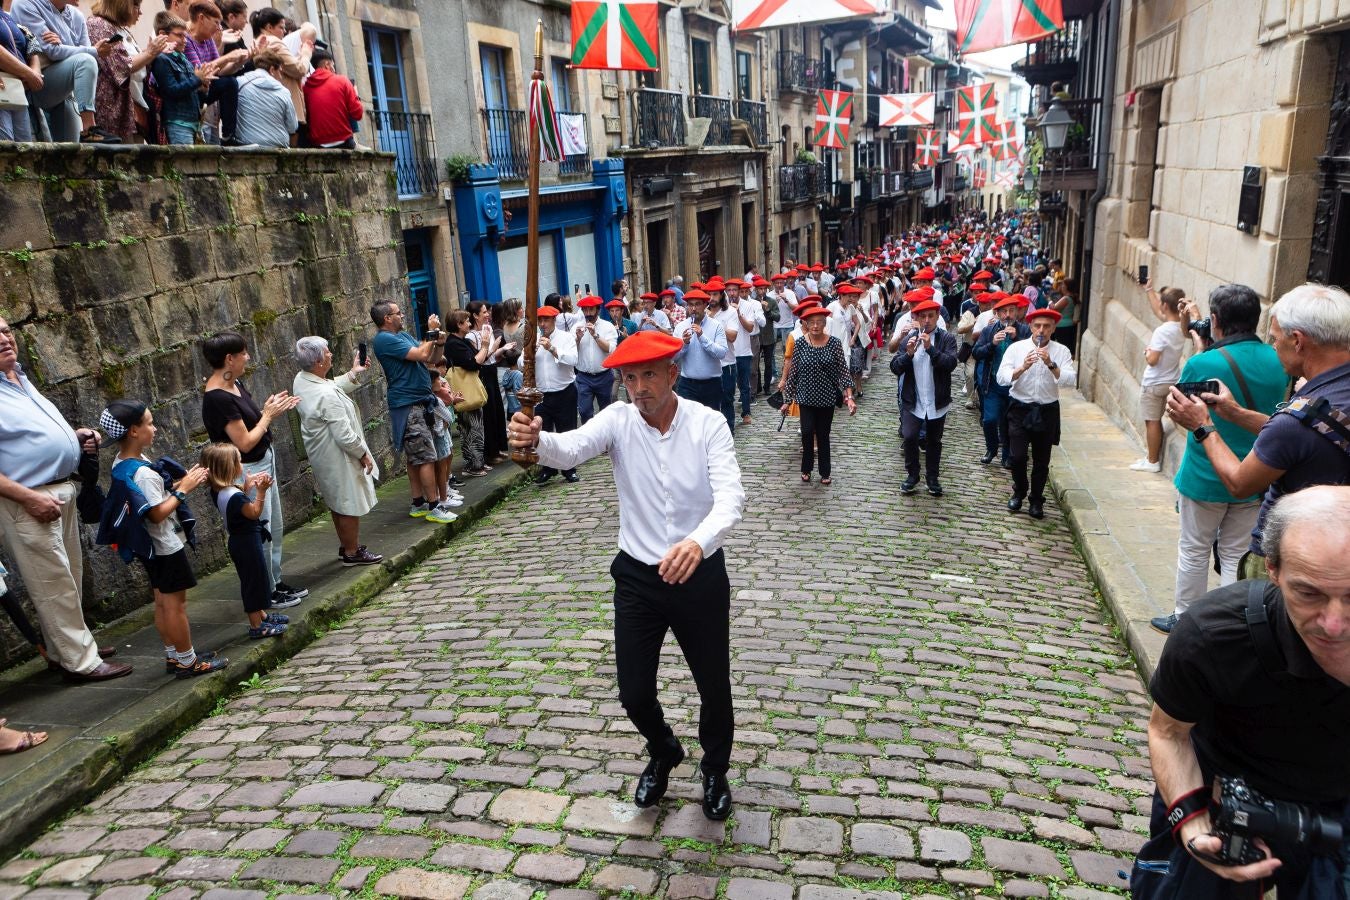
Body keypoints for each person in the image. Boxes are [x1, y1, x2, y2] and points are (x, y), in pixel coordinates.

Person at [506, 331, 745, 822]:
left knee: (713, 685)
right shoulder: (617, 420)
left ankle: (715, 768)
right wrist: (535, 441)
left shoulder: (709, 424)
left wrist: (698, 542)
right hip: (637, 576)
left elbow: (730, 498)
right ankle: (664, 749)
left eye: (649, 374)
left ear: (673, 374)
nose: (639, 387)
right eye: (630, 377)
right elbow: (569, 448)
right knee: (633, 691)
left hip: (699, 573)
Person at [1130, 485, 1349, 899]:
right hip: (1223, 796)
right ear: (1273, 569)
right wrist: (1192, 825)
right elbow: (1168, 733)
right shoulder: (1214, 634)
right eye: (1308, 593)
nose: (1333, 624)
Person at [1167, 283, 1350, 578]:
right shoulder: (1319, 406)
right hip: (1335, 544)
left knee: (1196, 552)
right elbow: (1308, 434)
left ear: (1298, 341)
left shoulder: (1295, 421)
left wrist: (1202, 426)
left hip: (1296, 558)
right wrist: (1237, 413)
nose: (1273, 346)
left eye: (1276, 339)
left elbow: (1240, 483)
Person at [1148, 285, 1288, 635]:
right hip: (1256, 472)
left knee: (1194, 548)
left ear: (1214, 320)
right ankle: (1230, 625)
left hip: (1205, 472)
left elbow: (1179, 408)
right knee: (1236, 553)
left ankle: (1186, 617)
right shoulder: (1278, 360)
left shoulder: (1202, 362)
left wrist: (1200, 352)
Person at [0, 317, 131, 682]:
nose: (3, 338)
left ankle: (65, 648)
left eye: (6, 330)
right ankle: (81, 662)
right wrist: (27, 498)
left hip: (59, 490)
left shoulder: (19, 379)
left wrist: (74, 437)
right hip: (28, 499)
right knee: (52, 582)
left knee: (68, 574)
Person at [99, 400, 227, 678]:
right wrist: (185, 490)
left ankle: (175, 654)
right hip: (164, 545)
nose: (154, 428)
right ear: (133, 430)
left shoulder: (123, 463)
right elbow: (156, 513)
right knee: (175, 605)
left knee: (162, 600)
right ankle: (187, 661)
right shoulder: (143, 473)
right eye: (149, 423)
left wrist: (183, 482)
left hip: (150, 548)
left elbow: (153, 499)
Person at [201, 331, 308, 607]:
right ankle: (267, 592)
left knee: (275, 525)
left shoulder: (234, 385)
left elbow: (253, 422)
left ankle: (274, 581)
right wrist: (268, 416)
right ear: (229, 358)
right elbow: (245, 442)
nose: (247, 358)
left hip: (263, 460)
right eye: (243, 353)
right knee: (260, 529)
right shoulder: (217, 398)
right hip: (247, 468)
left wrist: (269, 410)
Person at [291, 336, 382, 567]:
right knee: (348, 500)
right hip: (337, 454)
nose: (331, 354)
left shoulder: (303, 380)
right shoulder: (326, 396)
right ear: (320, 361)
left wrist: (353, 373)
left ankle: (347, 545)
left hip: (322, 454)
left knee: (336, 499)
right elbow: (344, 435)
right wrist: (363, 454)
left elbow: (331, 384)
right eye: (328, 352)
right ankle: (352, 551)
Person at [200, 443, 289, 639]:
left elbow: (235, 499)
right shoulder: (237, 498)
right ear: (230, 468)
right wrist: (261, 491)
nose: (241, 464)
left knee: (253, 579)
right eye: (238, 461)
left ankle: (262, 615)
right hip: (247, 544)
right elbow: (254, 512)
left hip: (239, 542)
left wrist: (246, 486)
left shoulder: (218, 491)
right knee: (254, 582)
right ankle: (256, 625)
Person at [997, 306, 1077, 519]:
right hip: (1020, 408)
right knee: (1017, 456)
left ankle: (1036, 500)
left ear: (1053, 329)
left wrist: (1051, 364)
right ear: (1031, 326)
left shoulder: (1062, 351)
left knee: (1042, 460)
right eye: (1037, 325)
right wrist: (1022, 367)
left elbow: (1070, 381)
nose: (1041, 330)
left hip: (1046, 410)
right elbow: (1002, 377)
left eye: (1046, 326)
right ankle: (1020, 490)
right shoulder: (1016, 349)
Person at [891, 297, 959, 497]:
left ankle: (932, 477)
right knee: (910, 436)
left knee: (933, 441)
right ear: (917, 319)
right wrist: (908, 355)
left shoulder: (947, 339)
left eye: (931, 316)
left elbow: (950, 364)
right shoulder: (909, 338)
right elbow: (895, 367)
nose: (927, 320)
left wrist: (931, 349)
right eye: (923, 317)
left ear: (938, 316)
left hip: (937, 400)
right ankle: (912, 475)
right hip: (913, 400)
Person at [781, 306, 856, 485]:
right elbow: (794, 374)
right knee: (806, 432)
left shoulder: (834, 343)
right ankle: (806, 468)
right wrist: (787, 400)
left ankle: (825, 472)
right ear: (806, 324)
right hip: (805, 397)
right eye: (812, 322)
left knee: (823, 434)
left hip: (826, 398)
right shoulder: (800, 343)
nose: (815, 326)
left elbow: (843, 372)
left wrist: (850, 397)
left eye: (819, 322)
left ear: (825, 323)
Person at [87, 0, 166, 141]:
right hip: (113, 111)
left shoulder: (121, 29)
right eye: (135, 4)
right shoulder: (98, 24)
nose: (140, 12)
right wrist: (149, 53)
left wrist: (154, 52)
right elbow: (121, 66)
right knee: (122, 159)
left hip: (132, 110)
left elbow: (136, 66)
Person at [1132, 283, 1188, 473]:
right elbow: (1159, 312)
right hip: (1171, 379)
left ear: (1166, 306)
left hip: (1154, 382)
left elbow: (1153, 360)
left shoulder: (1161, 331)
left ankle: (1152, 461)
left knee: (1152, 420)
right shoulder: (1182, 328)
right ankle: (1151, 457)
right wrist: (1149, 290)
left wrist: (1147, 352)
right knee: (1156, 419)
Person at [973, 294, 1029, 466]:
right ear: (997, 313)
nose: (1007, 315)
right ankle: (991, 448)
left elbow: (1031, 354)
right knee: (989, 420)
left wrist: (1016, 339)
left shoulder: (1025, 331)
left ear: (1017, 312)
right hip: (993, 384)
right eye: (1003, 311)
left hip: (1015, 385)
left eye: (1011, 311)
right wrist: (992, 345)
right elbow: (976, 353)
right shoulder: (989, 331)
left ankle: (1007, 456)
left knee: (1009, 423)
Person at [532, 305, 580, 485]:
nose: (542, 324)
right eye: (540, 321)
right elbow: (521, 363)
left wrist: (552, 349)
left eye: (546, 320)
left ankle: (569, 469)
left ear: (554, 321)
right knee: (543, 434)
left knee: (566, 432)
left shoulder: (566, 338)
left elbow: (573, 360)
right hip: (542, 394)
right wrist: (531, 351)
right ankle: (548, 469)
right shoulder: (533, 339)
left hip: (564, 392)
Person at [442, 309, 491, 479]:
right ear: (458, 324)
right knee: (470, 428)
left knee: (475, 426)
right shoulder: (453, 344)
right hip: (464, 391)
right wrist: (485, 345)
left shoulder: (462, 341)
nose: (470, 324)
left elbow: (480, 359)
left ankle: (478, 461)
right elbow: (473, 363)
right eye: (466, 321)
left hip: (470, 390)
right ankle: (474, 464)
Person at [148, 11, 205, 145]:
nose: (185, 40)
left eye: (185, 36)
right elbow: (171, 90)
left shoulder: (183, 59)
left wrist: (202, 85)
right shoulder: (161, 59)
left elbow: (190, 90)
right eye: (179, 35)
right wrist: (196, 79)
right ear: (162, 35)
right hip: (177, 124)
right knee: (183, 165)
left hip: (193, 124)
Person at [464, 301, 510, 465]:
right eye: (483, 312)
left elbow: (492, 357)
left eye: (487, 312)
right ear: (475, 315)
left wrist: (502, 349)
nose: (487, 314)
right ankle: (489, 452)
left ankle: (498, 448)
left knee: (497, 410)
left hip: (492, 370)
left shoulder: (488, 330)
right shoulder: (470, 336)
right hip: (482, 372)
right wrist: (494, 347)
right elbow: (480, 358)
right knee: (488, 412)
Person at [672, 289, 728, 414]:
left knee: (710, 422)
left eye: (697, 304)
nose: (693, 308)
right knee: (687, 421)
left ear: (705, 305)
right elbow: (673, 357)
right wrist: (684, 344)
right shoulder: (681, 327)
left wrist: (702, 337)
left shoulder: (716, 325)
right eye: (690, 305)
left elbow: (722, 353)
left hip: (711, 383)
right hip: (688, 384)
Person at [232, 45, 295, 147]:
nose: (281, 76)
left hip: (246, 145)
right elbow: (292, 126)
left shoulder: (239, 83)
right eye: (280, 71)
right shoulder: (284, 92)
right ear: (272, 70)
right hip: (278, 146)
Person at [303, 46, 361, 148]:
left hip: (317, 144)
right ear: (327, 65)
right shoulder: (342, 81)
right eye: (333, 66)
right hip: (344, 141)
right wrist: (355, 94)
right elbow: (358, 114)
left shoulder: (306, 87)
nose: (334, 70)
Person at [573, 295, 618, 424]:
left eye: (591, 310)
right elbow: (571, 352)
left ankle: (607, 438)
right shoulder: (576, 327)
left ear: (598, 310)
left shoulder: (607, 326)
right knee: (584, 411)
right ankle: (590, 439)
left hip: (604, 375)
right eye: (585, 310)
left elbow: (610, 349)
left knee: (606, 411)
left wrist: (595, 335)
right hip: (583, 377)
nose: (588, 313)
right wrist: (577, 339)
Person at [727, 279, 764, 426]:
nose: (732, 293)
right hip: (728, 353)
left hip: (743, 351)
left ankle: (746, 412)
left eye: (734, 290)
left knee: (744, 384)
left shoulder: (747, 306)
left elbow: (750, 328)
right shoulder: (723, 307)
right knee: (729, 386)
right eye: (729, 290)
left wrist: (738, 313)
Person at [494, 298, 525, 418]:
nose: (523, 310)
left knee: (513, 400)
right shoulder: (524, 327)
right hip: (524, 366)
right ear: (515, 311)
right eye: (520, 308)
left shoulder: (505, 326)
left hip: (510, 366)